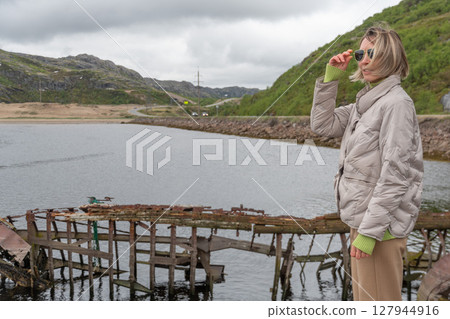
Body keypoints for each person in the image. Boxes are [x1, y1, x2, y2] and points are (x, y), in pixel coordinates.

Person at [310, 25, 424, 301]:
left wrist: (370, 233)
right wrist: (331, 79)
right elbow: (322, 126)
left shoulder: (396, 104)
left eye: (373, 53)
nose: (364, 60)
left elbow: (396, 175)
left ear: (392, 56)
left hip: (380, 230)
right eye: (361, 53)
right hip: (365, 221)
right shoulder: (366, 103)